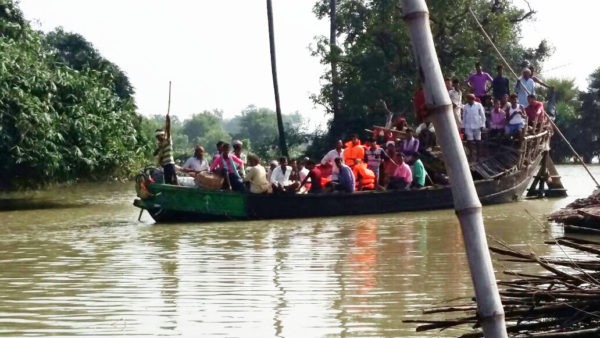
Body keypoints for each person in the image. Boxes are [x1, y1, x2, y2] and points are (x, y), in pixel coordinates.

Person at [462, 93, 486, 161]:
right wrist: (463, 126)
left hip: (477, 125)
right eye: (469, 99)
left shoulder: (478, 105)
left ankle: (478, 155)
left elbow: (483, 116)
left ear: (473, 99)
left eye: (471, 99)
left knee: (478, 141)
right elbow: (464, 117)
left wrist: (482, 125)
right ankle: (471, 155)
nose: (470, 100)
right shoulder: (466, 106)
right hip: (468, 125)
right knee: (469, 141)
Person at [154, 114, 177, 185]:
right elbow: (156, 154)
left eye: (159, 137)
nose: (158, 139)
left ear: (162, 135)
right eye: (157, 137)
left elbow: (168, 129)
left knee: (173, 182)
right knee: (167, 182)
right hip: (165, 166)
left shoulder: (168, 140)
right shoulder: (160, 144)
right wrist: (158, 150)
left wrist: (168, 121)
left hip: (170, 164)